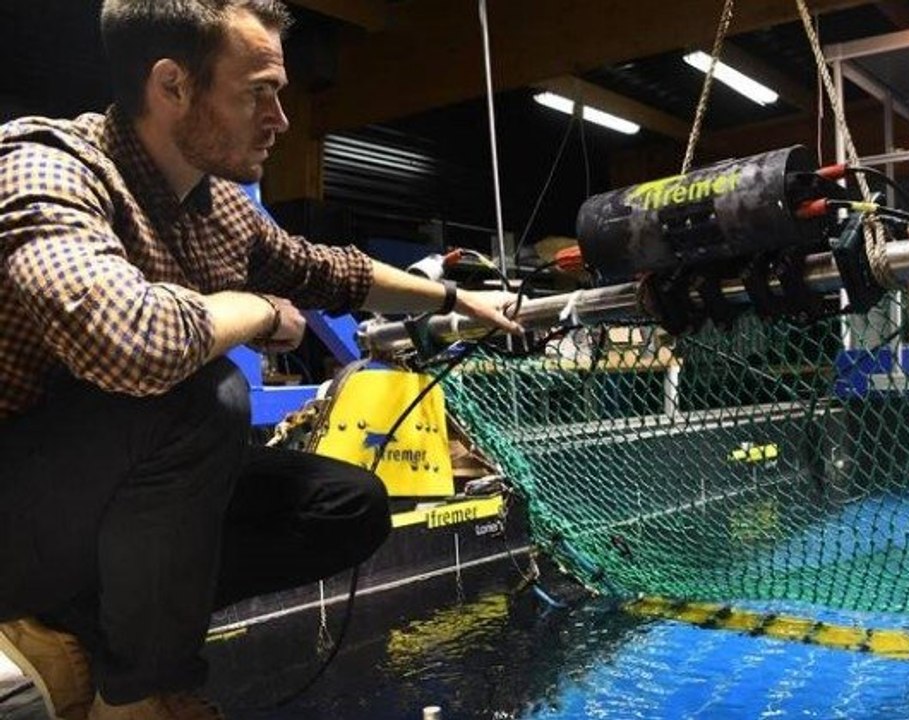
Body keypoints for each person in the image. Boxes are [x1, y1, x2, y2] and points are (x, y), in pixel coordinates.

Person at [0, 1, 522, 718]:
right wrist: (257, 310)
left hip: (97, 504)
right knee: (202, 392)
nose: (279, 118)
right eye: (259, 92)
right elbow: (134, 342)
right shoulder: (48, 167)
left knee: (346, 505)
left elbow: (333, 271)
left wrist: (454, 299)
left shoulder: (222, 209)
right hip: (15, 503)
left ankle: (74, 627)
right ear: (172, 85)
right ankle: (140, 694)